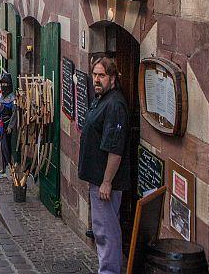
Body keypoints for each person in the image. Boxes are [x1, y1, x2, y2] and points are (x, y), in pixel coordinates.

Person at [77, 56, 130, 274]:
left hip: (106, 183)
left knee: (107, 233)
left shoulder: (115, 104)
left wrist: (106, 182)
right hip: (97, 180)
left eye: (102, 75)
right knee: (101, 230)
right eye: (95, 74)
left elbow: (115, 149)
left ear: (113, 78)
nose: (96, 79)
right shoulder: (102, 98)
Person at [0, 75, 17, 179]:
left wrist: (10, 126)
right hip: (2, 124)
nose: (3, 86)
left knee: (6, 146)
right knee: (2, 146)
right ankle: (3, 167)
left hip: (7, 126)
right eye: (2, 84)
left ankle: (9, 167)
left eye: (5, 84)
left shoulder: (12, 99)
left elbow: (14, 114)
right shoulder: (3, 97)